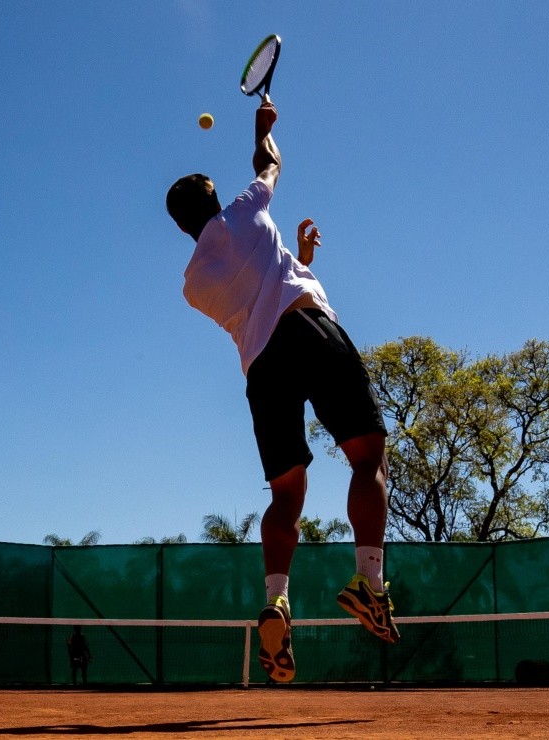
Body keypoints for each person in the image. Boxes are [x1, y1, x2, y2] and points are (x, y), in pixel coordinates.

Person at [165, 96, 400, 684]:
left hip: (262, 370)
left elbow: (259, 285)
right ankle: (369, 582)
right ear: (215, 202)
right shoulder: (244, 212)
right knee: (368, 454)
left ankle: (276, 600)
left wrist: (304, 260)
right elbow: (269, 165)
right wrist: (262, 126)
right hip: (305, 331)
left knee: (286, 495)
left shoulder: (193, 284)